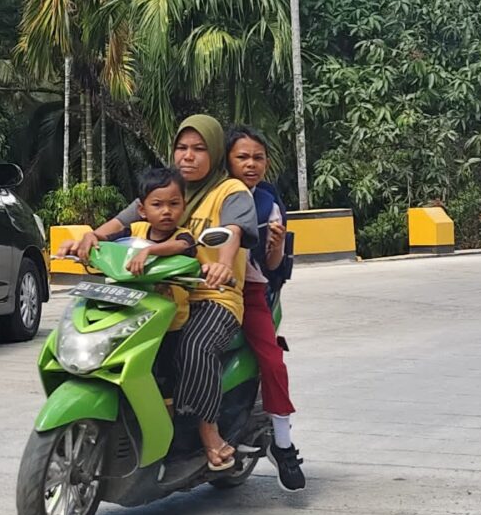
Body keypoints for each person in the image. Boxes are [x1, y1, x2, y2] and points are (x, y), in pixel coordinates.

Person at [68, 115, 254, 469]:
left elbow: (233, 232)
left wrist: (223, 265)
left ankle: (209, 436)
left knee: (195, 345)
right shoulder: (168, 188)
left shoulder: (230, 191)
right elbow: (123, 221)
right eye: (182, 148)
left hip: (212, 296)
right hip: (159, 294)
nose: (189, 156)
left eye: (199, 149)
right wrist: (92, 236)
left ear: (214, 152)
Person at [225, 126, 304, 490]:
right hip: (197, 288)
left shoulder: (268, 203)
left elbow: (272, 266)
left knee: (272, 360)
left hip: (250, 290)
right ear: (227, 159)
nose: (251, 164)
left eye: (257, 157)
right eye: (243, 157)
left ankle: (284, 446)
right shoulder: (211, 195)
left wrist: (274, 243)